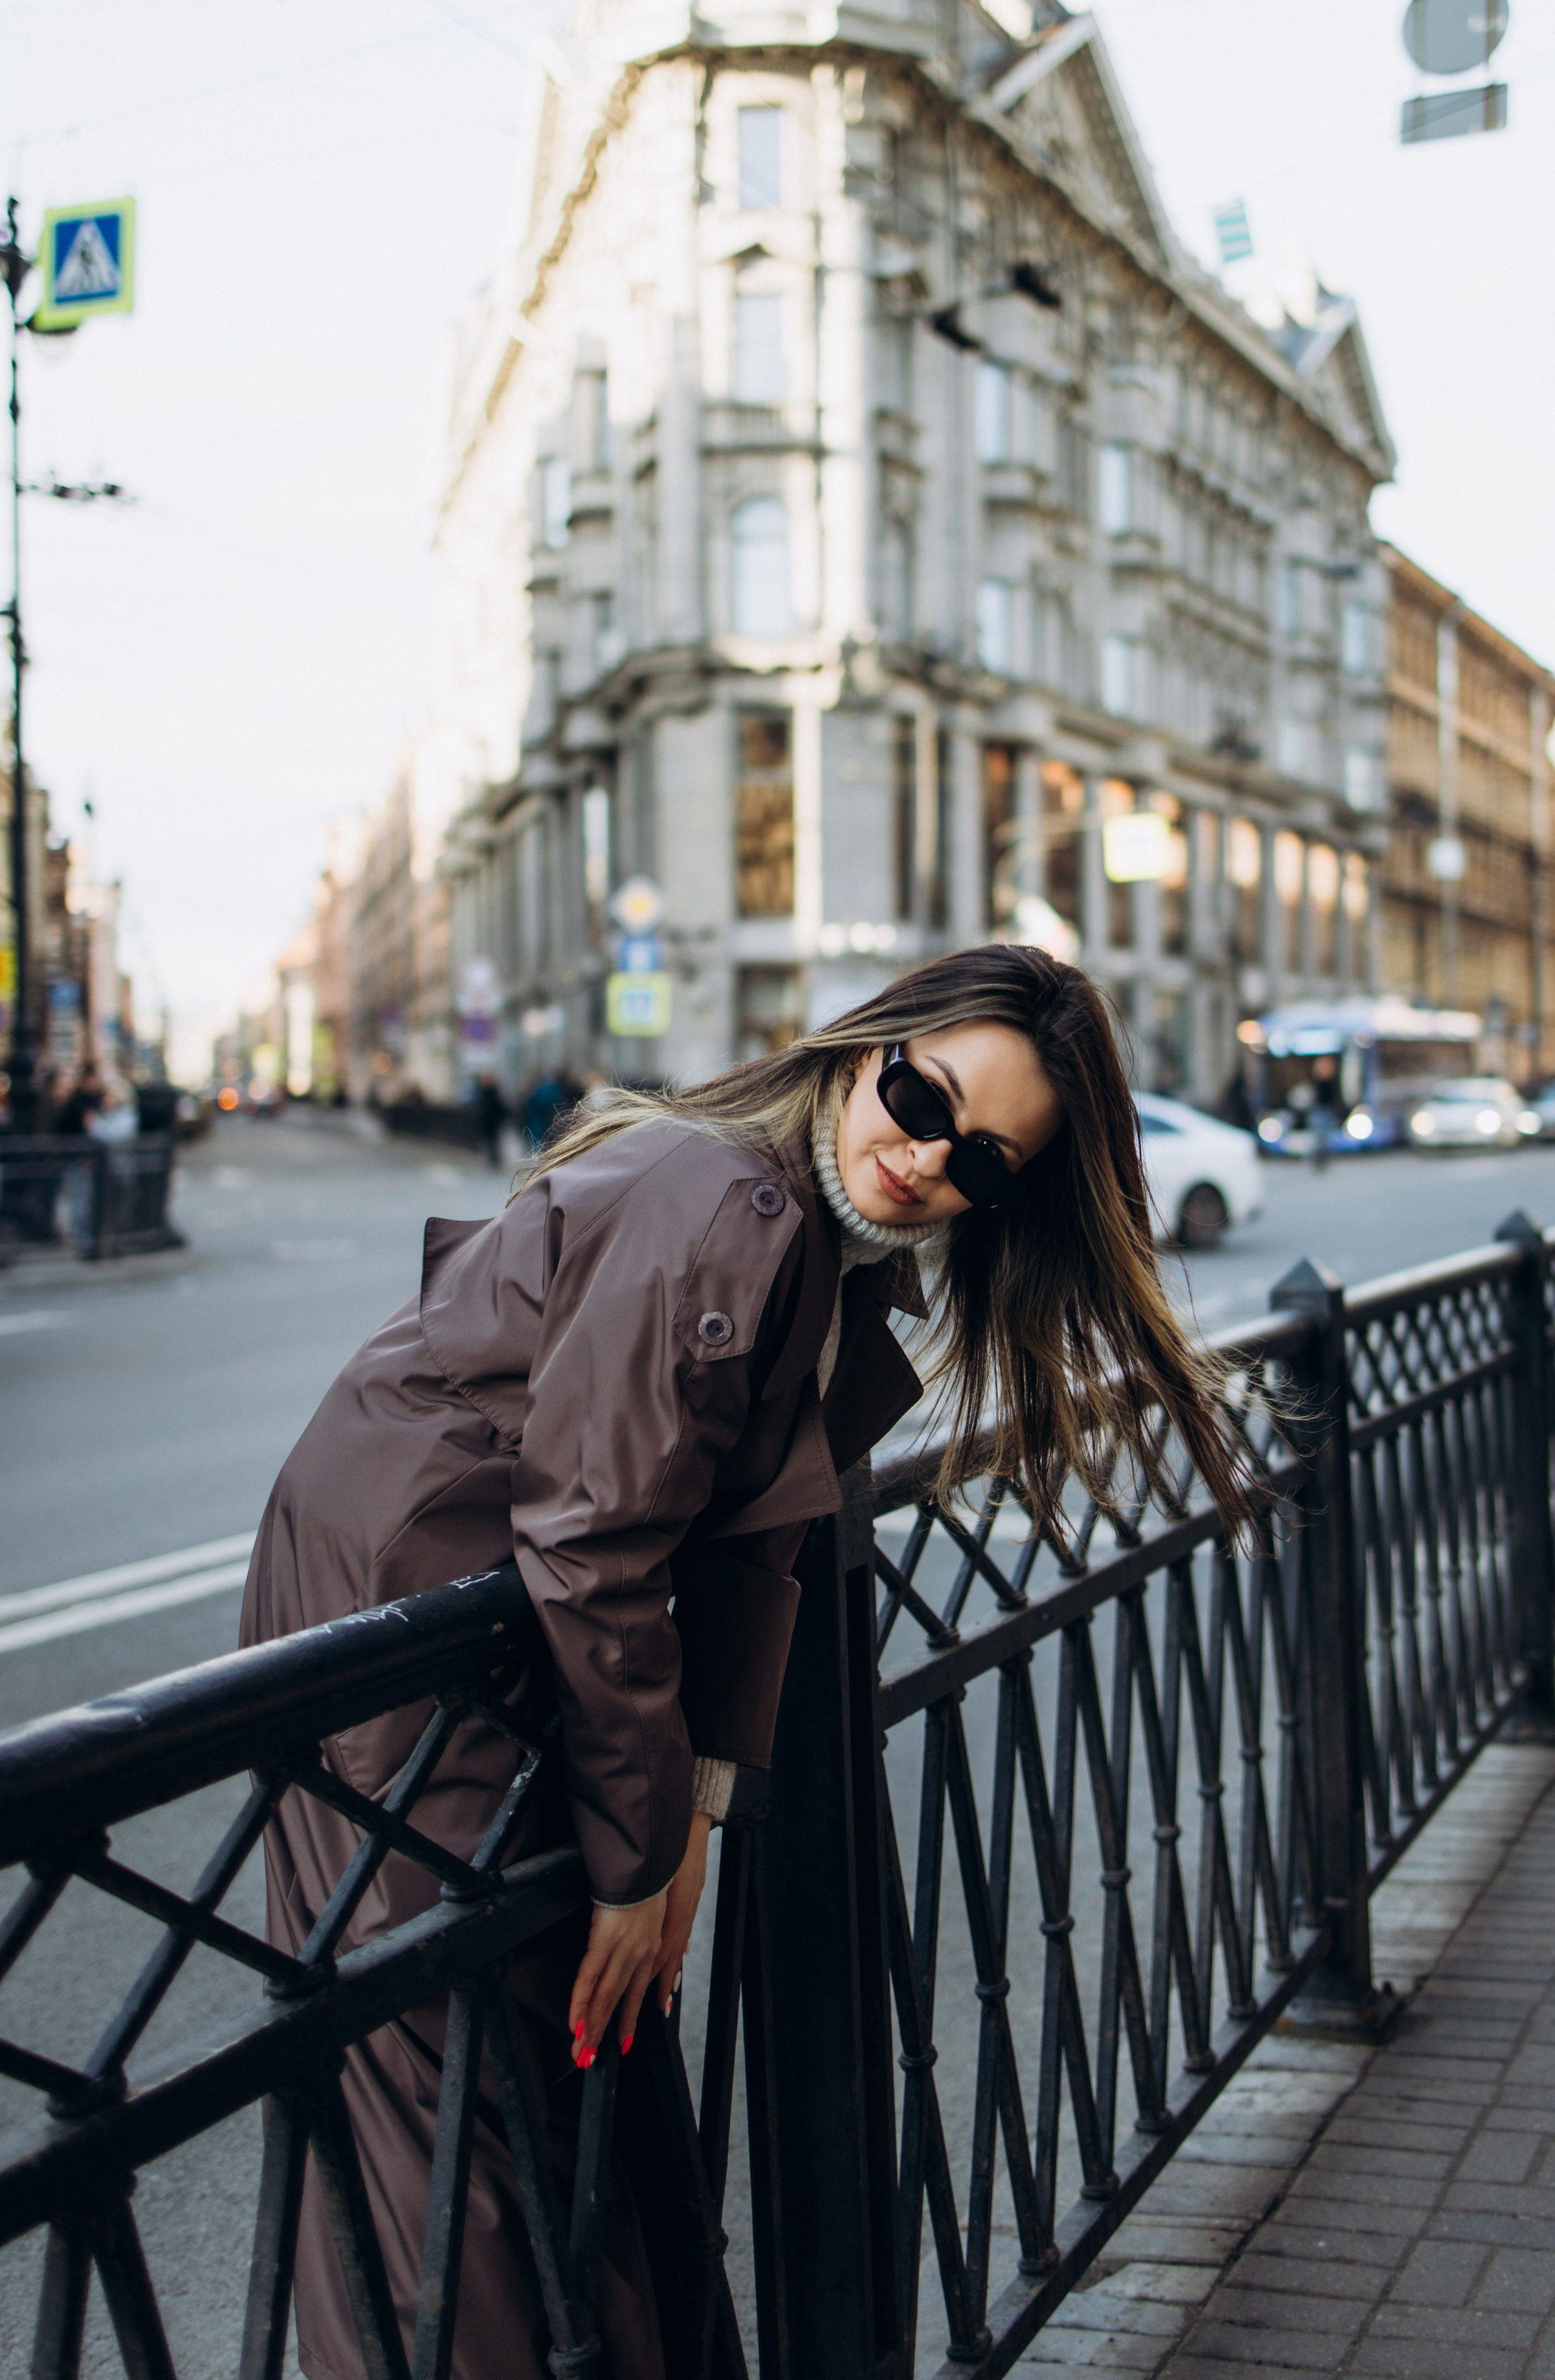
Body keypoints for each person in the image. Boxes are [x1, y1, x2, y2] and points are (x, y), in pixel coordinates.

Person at [241, 946, 1262, 2380]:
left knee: (533, 2069)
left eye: (983, 1160)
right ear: (865, 1050)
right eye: (918, 1093)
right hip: (400, 1600)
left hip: (480, 1600)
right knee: (443, 2079)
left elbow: (741, 1547)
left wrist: (687, 1820)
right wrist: (635, 1858)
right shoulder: (732, 1200)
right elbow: (595, 1536)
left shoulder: (822, 1252)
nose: (921, 1155)